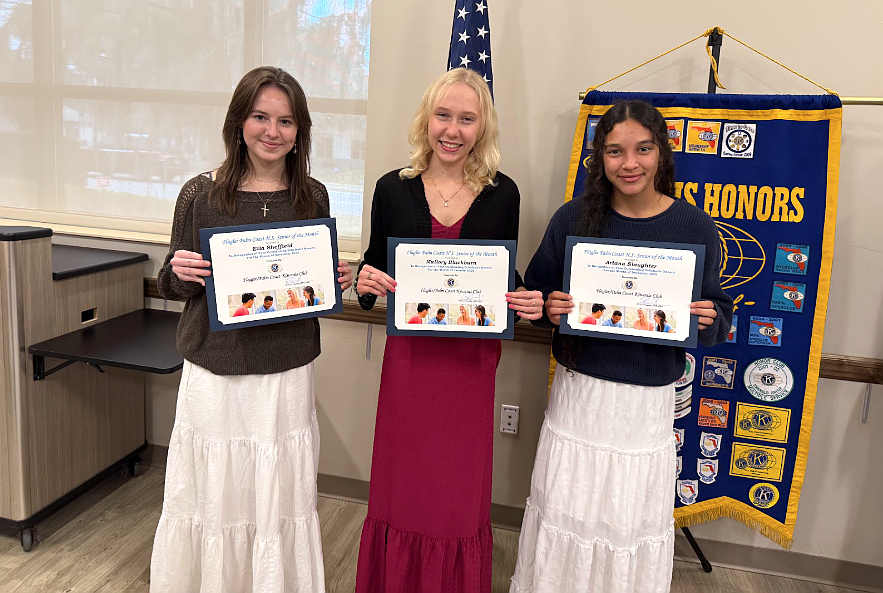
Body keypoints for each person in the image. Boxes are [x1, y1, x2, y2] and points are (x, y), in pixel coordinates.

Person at [511, 100, 733, 593]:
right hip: (581, 398)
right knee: (569, 512)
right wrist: (549, 307)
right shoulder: (574, 217)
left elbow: (717, 313)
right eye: (615, 151)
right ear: (600, 157)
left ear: (662, 155)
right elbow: (535, 290)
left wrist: (710, 317)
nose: (629, 163)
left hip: (645, 405)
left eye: (642, 149)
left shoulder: (695, 227)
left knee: (626, 524)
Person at [150, 66, 353, 593]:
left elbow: (313, 290)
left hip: (284, 374)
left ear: (299, 130)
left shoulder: (315, 195)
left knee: (276, 495)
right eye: (260, 117)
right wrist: (178, 273)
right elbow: (170, 280)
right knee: (215, 493)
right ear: (238, 121)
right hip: (215, 372)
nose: (272, 131)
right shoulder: (201, 192)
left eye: (286, 121)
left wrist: (332, 280)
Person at [353, 68, 543, 593]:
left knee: (456, 491)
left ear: (483, 127)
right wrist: (363, 280)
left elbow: (505, 277)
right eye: (443, 115)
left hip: (469, 367)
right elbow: (373, 269)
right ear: (426, 120)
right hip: (411, 362)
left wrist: (526, 298)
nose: (452, 130)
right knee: (405, 483)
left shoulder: (504, 194)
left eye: (466, 118)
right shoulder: (393, 188)